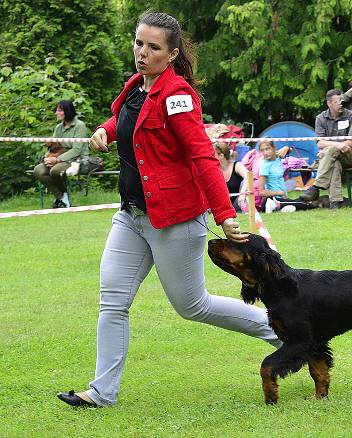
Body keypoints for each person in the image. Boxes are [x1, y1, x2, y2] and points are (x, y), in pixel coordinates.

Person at [56, 12, 282, 409]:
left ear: (172, 53)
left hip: (176, 218)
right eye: (138, 43)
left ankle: (288, 335)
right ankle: (101, 393)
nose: (142, 53)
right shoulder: (136, 87)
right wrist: (106, 130)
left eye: (153, 47)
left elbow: (201, 155)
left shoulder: (178, 96)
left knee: (193, 306)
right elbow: (127, 120)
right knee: (112, 300)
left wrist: (224, 213)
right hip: (131, 216)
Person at [300, 89, 352, 209]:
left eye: (342, 100)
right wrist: (337, 145)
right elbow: (320, 143)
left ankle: (316, 187)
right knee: (334, 162)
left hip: (349, 156)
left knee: (330, 151)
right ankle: (335, 202)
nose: (341, 103)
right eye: (338, 101)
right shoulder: (321, 118)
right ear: (329, 103)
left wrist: (332, 146)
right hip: (330, 159)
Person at [33, 100, 89, 208]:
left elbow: (77, 150)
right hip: (59, 156)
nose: (56, 113)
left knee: (55, 171)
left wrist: (57, 159)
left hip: (76, 159)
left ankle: (62, 198)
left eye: (59, 110)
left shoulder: (80, 126)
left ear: (67, 112)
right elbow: (53, 145)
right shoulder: (58, 127)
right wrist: (47, 158)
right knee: (38, 170)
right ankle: (62, 196)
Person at [257, 140, 316, 212]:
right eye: (262, 150)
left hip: (282, 198)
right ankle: (277, 206)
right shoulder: (264, 166)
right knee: (308, 205)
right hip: (273, 199)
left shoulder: (277, 158)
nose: (265, 153)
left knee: (301, 201)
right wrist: (280, 193)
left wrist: (286, 148)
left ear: (273, 148)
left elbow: (289, 150)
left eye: (267, 149)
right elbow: (261, 192)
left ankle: (282, 208)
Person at [214, 141, 248, 211]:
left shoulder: (237, 165)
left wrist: (243, 194)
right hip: (221, 205)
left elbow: (248, 176)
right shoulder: (214, 169)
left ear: (221, 156)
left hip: (237, 204)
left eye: (213, 154)